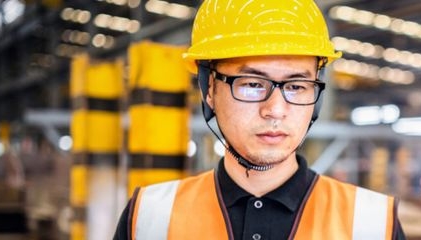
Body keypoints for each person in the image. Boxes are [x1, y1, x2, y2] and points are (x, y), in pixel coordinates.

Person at [113, 0, 405, 239]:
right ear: (209, 90)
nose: (275, 109)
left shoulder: (372, 225)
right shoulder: (149, 218)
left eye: (296, 86)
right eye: (252, 84)